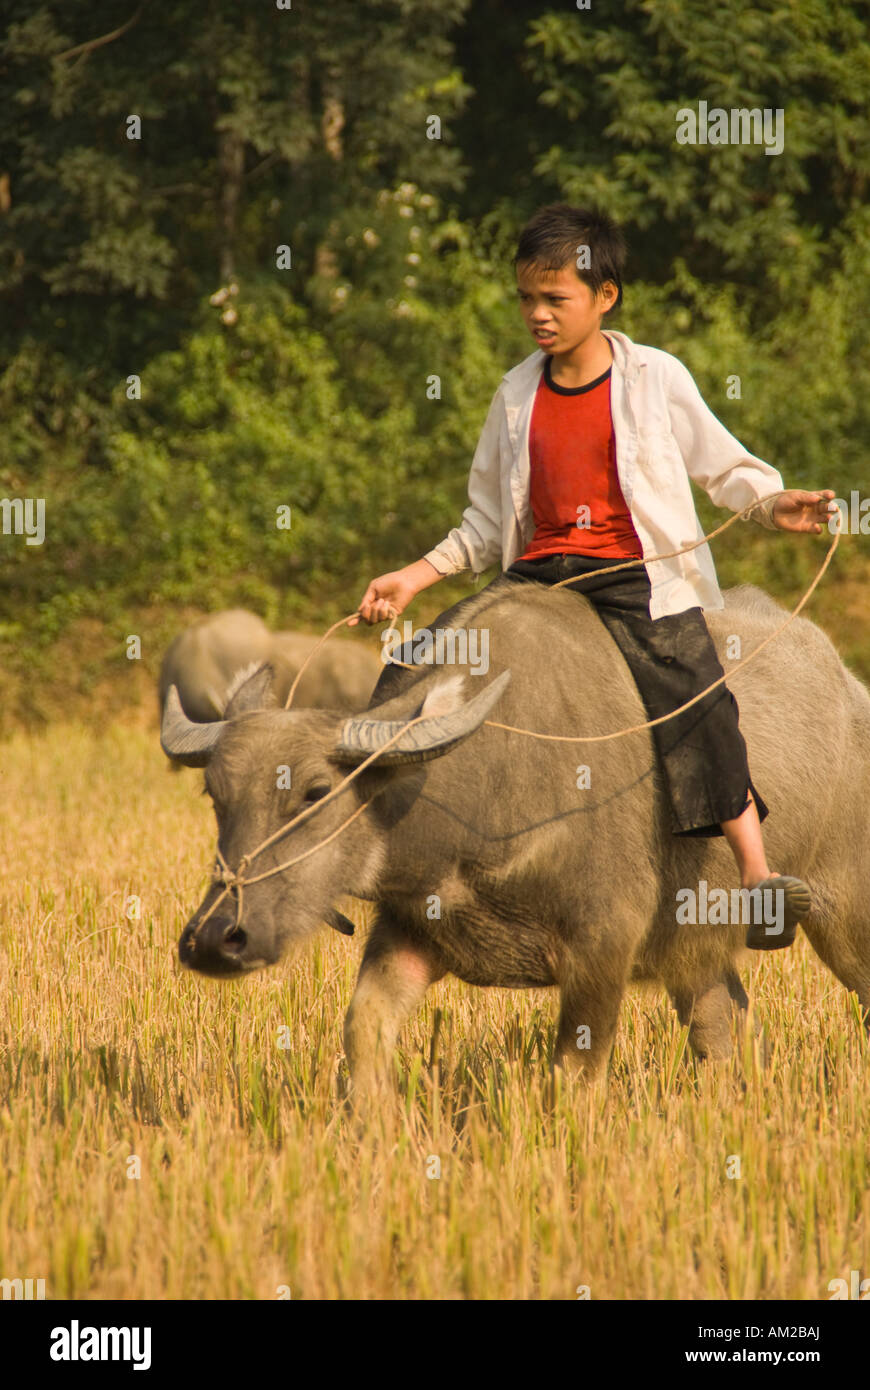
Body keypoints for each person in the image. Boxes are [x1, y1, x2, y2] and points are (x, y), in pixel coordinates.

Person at [351, 203, 837, 951]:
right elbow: (485, 522)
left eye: (555, 299)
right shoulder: (516, 396)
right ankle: (368, 840)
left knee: (696, 701)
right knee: (419, 663)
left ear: (605, 296)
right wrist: (415, 577)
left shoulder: (654, 378)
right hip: (536, 580)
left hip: (636, 578)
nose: (537, 315)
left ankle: (755, 876)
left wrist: (774, 503)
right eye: (525, 298)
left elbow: (724, 467)